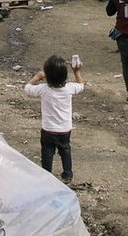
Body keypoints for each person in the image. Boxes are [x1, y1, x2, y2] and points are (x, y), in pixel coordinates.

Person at [25, 53, 84, 183]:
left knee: (47, 152)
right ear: (65, 75)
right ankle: (67, 174)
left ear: (47, 75)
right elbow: (81, 85)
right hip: (65, 129)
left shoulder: (43, 89)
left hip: (48, 129)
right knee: (65, 150)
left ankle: (46, 175)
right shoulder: (69, 88)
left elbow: (27, 89)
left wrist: (37, 77)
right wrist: (77, 72)